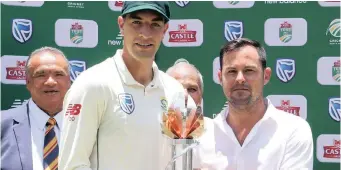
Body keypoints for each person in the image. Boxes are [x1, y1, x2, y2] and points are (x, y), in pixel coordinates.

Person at [58, 2, 197, 170]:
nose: (145, 34)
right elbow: (72, 165)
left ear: (165, 30)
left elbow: (188, 163)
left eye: (155, 24)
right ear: (121, 25)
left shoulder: (177, 93)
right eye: (136, 23)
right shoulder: (91, 85)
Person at [193, 38, 314, 170]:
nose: (240, 79)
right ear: (220, 77)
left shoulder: (294, 130)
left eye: (249, 70)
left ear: (266, 76)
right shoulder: (202, 136)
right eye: (231, 71)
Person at [1, 47, 71, 170]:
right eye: (41, 75)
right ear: (28, 81)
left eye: (59, 74)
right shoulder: (3, 124)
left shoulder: (87, 125)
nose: (50, 82)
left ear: (69, 81)